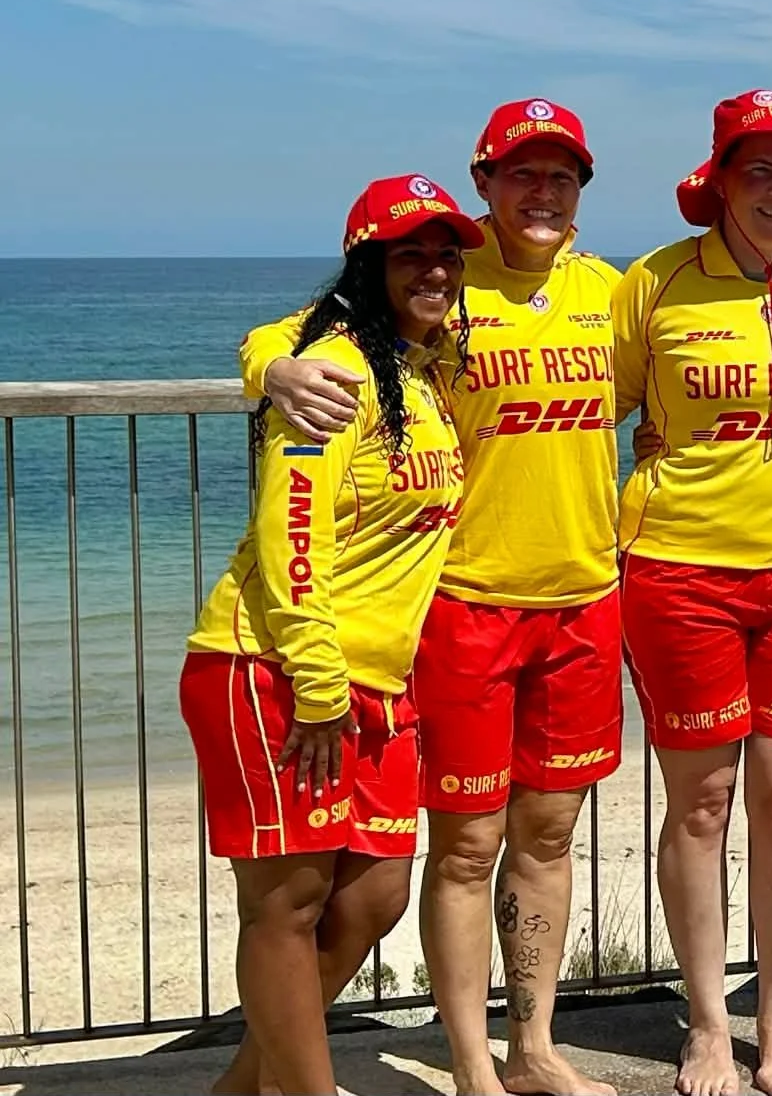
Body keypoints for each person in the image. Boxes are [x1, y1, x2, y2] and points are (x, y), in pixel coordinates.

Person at [244, 100, 623, 1096]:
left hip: (586, 595)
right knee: (467, 845)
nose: (543, 194)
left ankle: (533, 1046)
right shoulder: (445, 282)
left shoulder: (612, 291)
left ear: (582, 189)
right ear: (485, 181)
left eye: (563, 177)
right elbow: (294, 336)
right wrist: (272, 368)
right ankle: (469, 1067)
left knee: (548, 837)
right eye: (522, 175)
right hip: (462, 602)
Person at [184, 175, 472, 1096]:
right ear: (366, 265)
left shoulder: (424, 370)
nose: (433, 268)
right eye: (409, 253)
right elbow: (289, 537)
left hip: (375, 682)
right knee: (289, 906)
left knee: (376, 894)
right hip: (274, 668)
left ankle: (244, 1086)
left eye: (445, 252)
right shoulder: (333, 374)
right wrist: (316, 683)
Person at [611, 89, 772, 1096]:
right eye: (758, 170)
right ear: (718, 178)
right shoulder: (655, 283)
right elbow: (594, 405)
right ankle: (707, 1025)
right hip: (679, 569)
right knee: (703, 803)